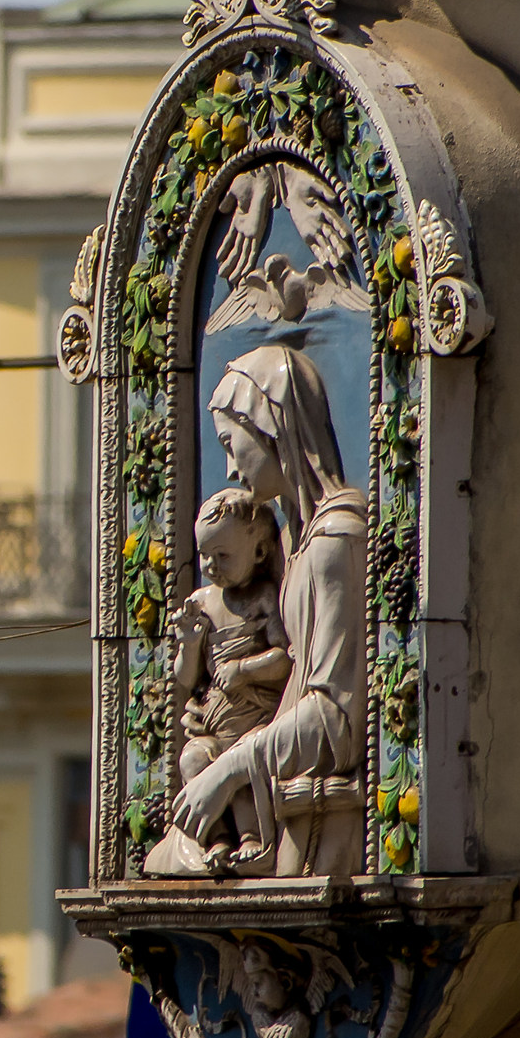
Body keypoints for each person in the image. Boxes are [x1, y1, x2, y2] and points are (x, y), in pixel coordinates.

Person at [151, 343, 368, 879]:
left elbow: (334, 720)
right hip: (278, 787)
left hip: (316, 830)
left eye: (232, 444)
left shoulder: (333, 542)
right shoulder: (293, 543)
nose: (230, 466)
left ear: (272, 429)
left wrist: (229, 769)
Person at [169, 488, 292, 869]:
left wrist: (243, 670)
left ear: (259, 552)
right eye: (204, 555)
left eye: (223, 556)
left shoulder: (264, 598)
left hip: (251, 719)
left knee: (240, 769)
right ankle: (217, 838)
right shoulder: (201, 603)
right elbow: (186, 678)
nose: (211, 565)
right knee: (193, 760)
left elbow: (283, 658)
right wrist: (189, 645)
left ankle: (251, 837)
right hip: (213, 720)